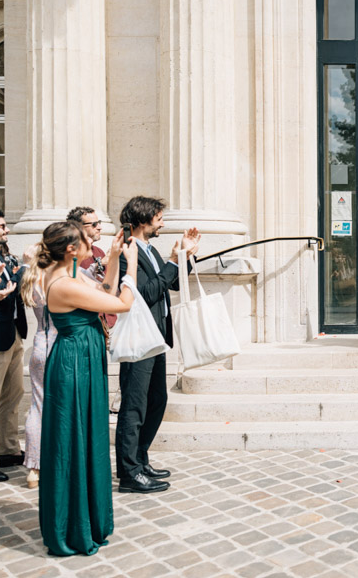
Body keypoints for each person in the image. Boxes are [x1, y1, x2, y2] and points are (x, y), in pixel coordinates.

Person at [39, 221, 137, 556]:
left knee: (86, 437)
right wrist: (131, 267)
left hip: (83, 359)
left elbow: (104, 294)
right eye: (84, 240)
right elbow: (120, 303)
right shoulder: (63, 283)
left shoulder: (68, 274)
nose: (89, 242)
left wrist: (111, 257)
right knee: (73, 439)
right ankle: (72, 527)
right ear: (71, 249)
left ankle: (87, 518)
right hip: (74, 365)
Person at [115, 196, 200, 493]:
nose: (163, 222)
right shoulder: (129, 252)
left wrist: (184, 258)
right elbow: (144, 294)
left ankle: (140, 458)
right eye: (159, 217)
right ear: (143, 220)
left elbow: (172, 284)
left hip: (157, 337)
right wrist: (173, 262)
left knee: (157, 400)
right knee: (134, 407)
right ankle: (128, 473)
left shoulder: (150, 250)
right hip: (140, 338)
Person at [0, 208, 29, 481]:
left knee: (13, 393)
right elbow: (3, 294)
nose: (7, 230)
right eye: (2, 226)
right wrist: (22, 271)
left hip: (14, 332)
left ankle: (7, 448)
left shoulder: (3, 257)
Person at [19, 244, 56, 489]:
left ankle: (34, 469)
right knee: (59, 405)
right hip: (59, 343)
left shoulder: (30, 278)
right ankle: (56, 462)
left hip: (39, 344)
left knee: (37, 405)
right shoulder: (58, 278)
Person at [67, 206, 116, 327]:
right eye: (94, 224)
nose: (99, 227)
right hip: (86, 322)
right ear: (78, 228)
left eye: (99, 223)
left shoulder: (99, 251)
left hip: (108, 321)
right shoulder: (70, 255)